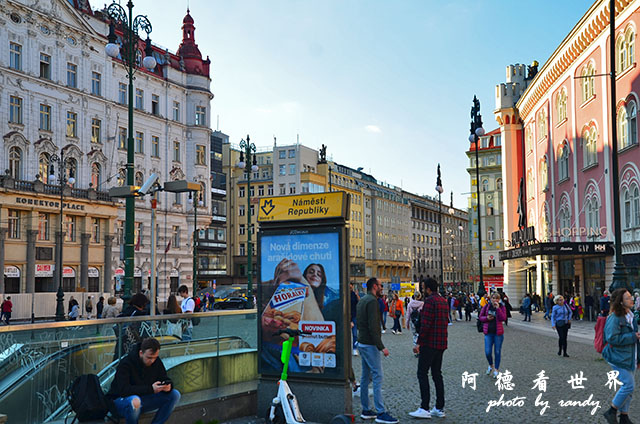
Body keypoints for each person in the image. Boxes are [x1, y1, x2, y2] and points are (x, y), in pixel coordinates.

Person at [107, 337, 180, 424]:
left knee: (175, 394)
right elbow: (124, 390)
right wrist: (150, 389)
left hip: (144, 399)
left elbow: (164, 377)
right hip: (120, 402)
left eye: (155, 357)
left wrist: (168, 386)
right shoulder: (126, 363)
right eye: (149, 357)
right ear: (141, 353)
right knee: (135, 400)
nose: (152, 361)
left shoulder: (156, 361)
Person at [356, 277, 397, 424]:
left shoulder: (362, 299)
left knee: (365, 377)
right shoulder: (372, 301)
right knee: (378, 377)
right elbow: (374, 327)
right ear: (374, 286)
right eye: (380, 285)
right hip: (370, 344)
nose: (382, 288)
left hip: (362, 342)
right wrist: (382, 347)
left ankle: (366, 409)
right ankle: (380, 412)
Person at [409, 278, 448, 419]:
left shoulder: (430, 302)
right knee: (437, 374)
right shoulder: (443, 301)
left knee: (422, 373)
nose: (424, 291)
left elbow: (425, 325)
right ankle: (439, 407)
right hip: (441, 343)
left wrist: (418, 343)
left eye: (424, 288)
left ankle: (424, 407)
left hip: (429, 343)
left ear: (428, 289)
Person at [602, 289, 640, 424]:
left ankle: (624, 416)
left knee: (629, 387)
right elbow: (611, 338)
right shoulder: (615, 318)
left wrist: (638, 358)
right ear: (621, 301)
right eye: (628, 298)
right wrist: (633, 336)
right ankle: (611, 411)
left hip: (631, 356)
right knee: (628, 385)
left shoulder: (631, 315)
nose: (632, 300)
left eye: (631, 297)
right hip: (617, 357)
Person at [479, 292, 507, 378]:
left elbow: (503, 318)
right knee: (488, 352)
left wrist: (498, 309)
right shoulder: (486, 307)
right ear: (490, 299)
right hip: (488, 332)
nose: (495, 300)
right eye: (493, 298)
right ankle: (491, 365)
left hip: (498, 333)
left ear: (499, 300)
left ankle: (496, 369)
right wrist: (486, 318)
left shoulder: (502, 307)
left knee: (497, 351)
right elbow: (480, 317)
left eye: (497, 298)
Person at [350, 283, 360, 356]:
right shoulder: (344, 294)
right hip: (346, 316)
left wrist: (357, 295)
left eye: (351, 287)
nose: (350, 288)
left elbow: (360, 302)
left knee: (355, 334)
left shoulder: (354, 294)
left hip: (354, 316)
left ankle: (354, 348)